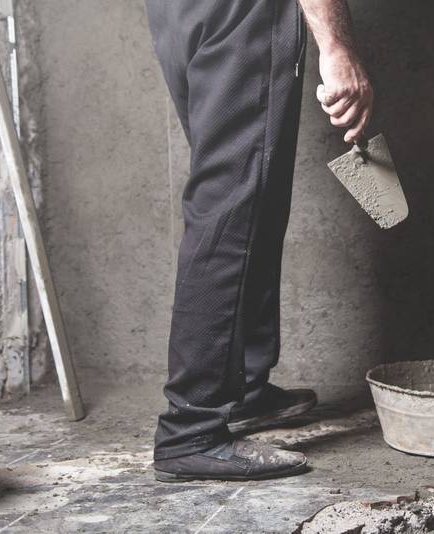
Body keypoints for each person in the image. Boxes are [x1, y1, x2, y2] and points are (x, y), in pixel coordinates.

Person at [144, 0, 373, 482]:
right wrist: (336, 48)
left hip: (180, 12)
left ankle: (243, 390)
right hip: (241, 14)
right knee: (232, 205)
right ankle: (191, 429)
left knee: (251, 201)